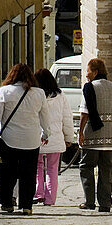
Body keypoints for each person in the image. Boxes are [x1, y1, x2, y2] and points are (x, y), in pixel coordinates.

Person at [0, 63, 51, 216]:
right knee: (29, 174)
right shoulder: (39, 93)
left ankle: (7, 202)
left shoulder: (5, 91)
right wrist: (46, 134)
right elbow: (45, 117)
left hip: (10, 139)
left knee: (7, 173)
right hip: (32, 140)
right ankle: (27, 205)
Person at [78, 57, 112, 213]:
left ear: (95, 72)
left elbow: (84, 114)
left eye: (88, 72)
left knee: (86, 167)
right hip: (110, 140)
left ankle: (89, 201)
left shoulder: (89, 88)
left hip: (92, 138)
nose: (86, 75)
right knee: (106, 171)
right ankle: (105, 204)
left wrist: (80, 133)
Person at [34, 67, 74, 206]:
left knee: (37, 166)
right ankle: (50, 198)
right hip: (55, 137)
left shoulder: (34, 95)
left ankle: (38, 193)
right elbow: (67, 118)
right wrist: (69, 137)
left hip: (37, 137)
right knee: (52, 169)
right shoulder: (60, 95)